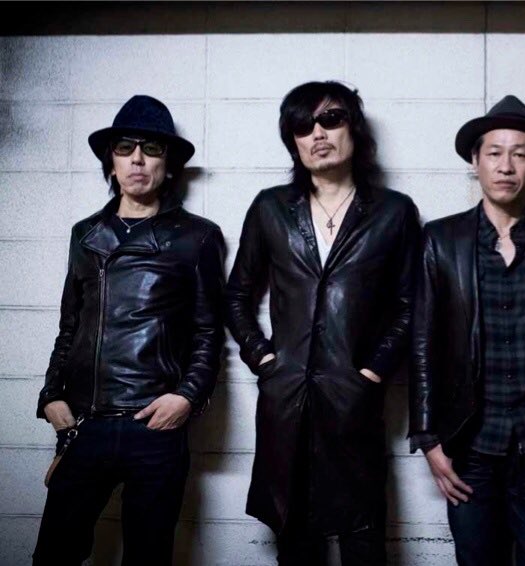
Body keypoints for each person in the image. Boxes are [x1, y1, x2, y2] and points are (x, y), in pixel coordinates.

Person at [225, 81, 420, 565]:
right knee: (295, 546)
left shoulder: (393, 212)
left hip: (354, 403)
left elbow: (412, 305)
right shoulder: (270, 208)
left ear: (354, 129)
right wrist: (264, 359)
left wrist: (371, 372)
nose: (317, 133)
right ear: (292, 141)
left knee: (363, 541)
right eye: (302, 125)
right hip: (286, 404)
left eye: (330, 119)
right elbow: (236, 296)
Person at [33, 94, 226, 565]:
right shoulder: (85, 234)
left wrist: (187, 397)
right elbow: (70, 324)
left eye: (151, 149)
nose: (137, 159)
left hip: (154, 428)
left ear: (169, 165)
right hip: (84, 423)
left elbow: (209, 332)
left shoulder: (197, 236)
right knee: (54, 554)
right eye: (125, 148)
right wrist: (50, 395)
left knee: (148, 557)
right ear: (112, 161)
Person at [408, 95, 525, 566]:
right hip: (470, 444)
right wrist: (428, 439)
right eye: (494, 153)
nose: (506, 166)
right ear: (475, 162)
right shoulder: (441, 239)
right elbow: (422, 343)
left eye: (519, 154)